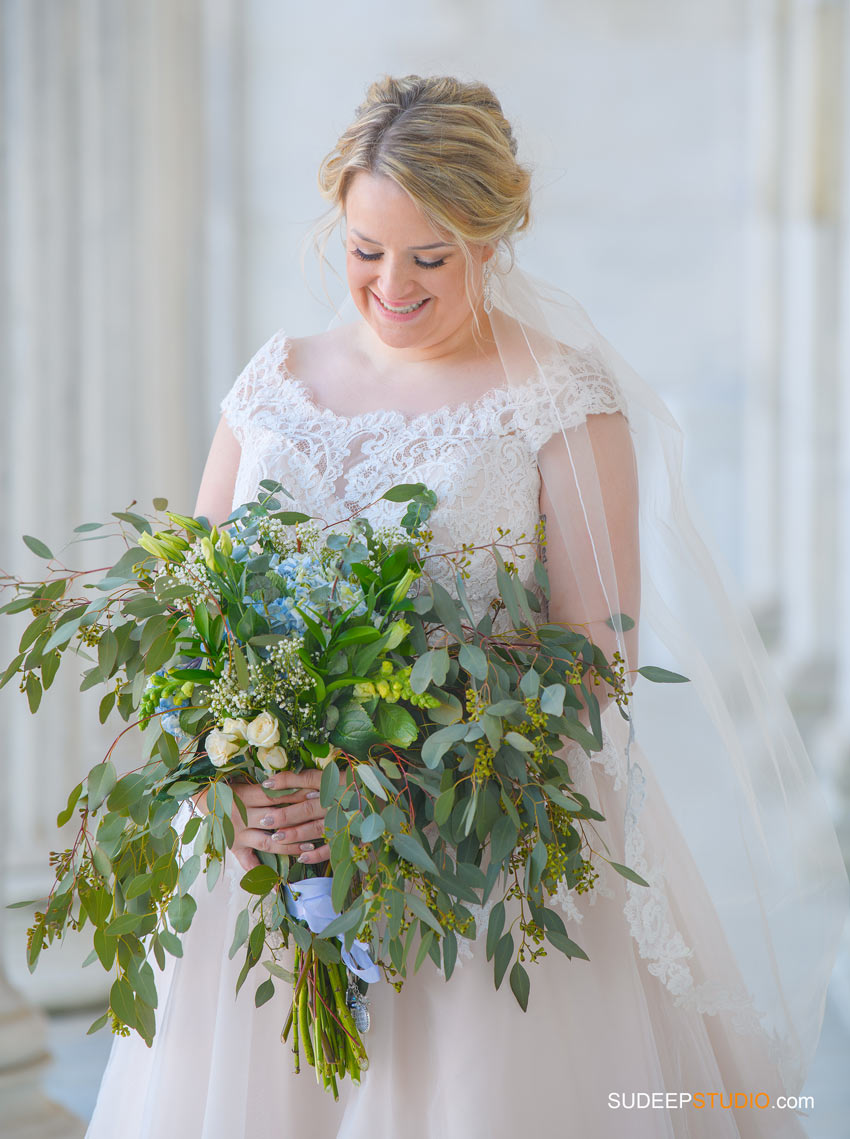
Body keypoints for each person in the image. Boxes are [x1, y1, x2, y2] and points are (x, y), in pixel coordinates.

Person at [86, 74, 848, 1138]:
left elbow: (596, 656)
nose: (390, 283)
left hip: (480, 857)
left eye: (428, 256)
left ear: (492, 238)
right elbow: (191, 606)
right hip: (266, 847)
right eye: (364, 249)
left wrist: (384, 781)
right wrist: (232, 777)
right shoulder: (273, 382)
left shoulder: (561, 400)